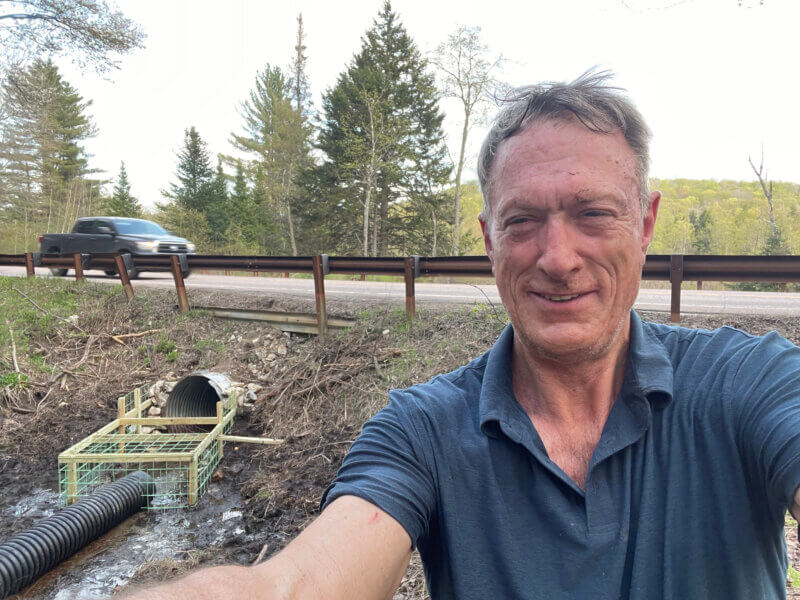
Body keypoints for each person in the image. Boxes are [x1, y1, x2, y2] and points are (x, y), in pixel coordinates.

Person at [123, 71, 800, 600]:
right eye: (523, 221)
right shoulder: (422, 432)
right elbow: (303, 582)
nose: (557, 256)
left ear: (646, 225)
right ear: (488, 241)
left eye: (594, 213)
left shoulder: (749, 384)